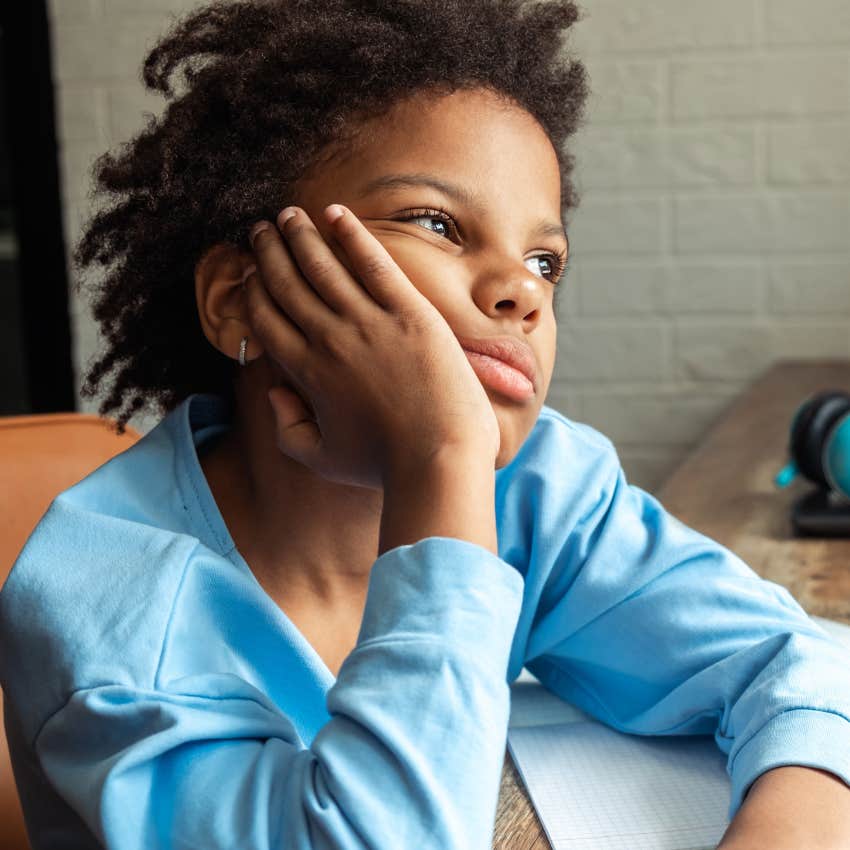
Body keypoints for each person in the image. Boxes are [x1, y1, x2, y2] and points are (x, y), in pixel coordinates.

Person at [2, 1, 850, 848]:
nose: (523, 290)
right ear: (240, 300)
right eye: (437, 222)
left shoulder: (535, 490)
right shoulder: (119, 613)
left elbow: (799, 662)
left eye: (545, 260)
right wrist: (439, 460)